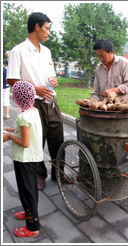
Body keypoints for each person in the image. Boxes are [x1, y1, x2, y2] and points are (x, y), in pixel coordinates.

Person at [7, 12, 68, 191]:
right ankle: (39, 175)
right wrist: (34, 88)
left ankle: (59, 172)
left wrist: (53, 81)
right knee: (36, 141)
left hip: (51, 101)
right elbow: (11, 80)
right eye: (47, 28)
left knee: (58, 139)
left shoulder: (47, 51)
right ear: (37, 27)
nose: (48, 32)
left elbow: (50, 76)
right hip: (32, 104)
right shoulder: (19, 50)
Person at [3, 81, 42, 237]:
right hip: (33, 158)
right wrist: (12, 129)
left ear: (17, 99)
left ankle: (32, 227)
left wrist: (9, 136)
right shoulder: (34, 111)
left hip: (24, 159)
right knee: (31, 188)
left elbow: (24, 143)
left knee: (26, 192)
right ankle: (30, 212)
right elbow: (27, 133)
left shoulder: (23, 117)